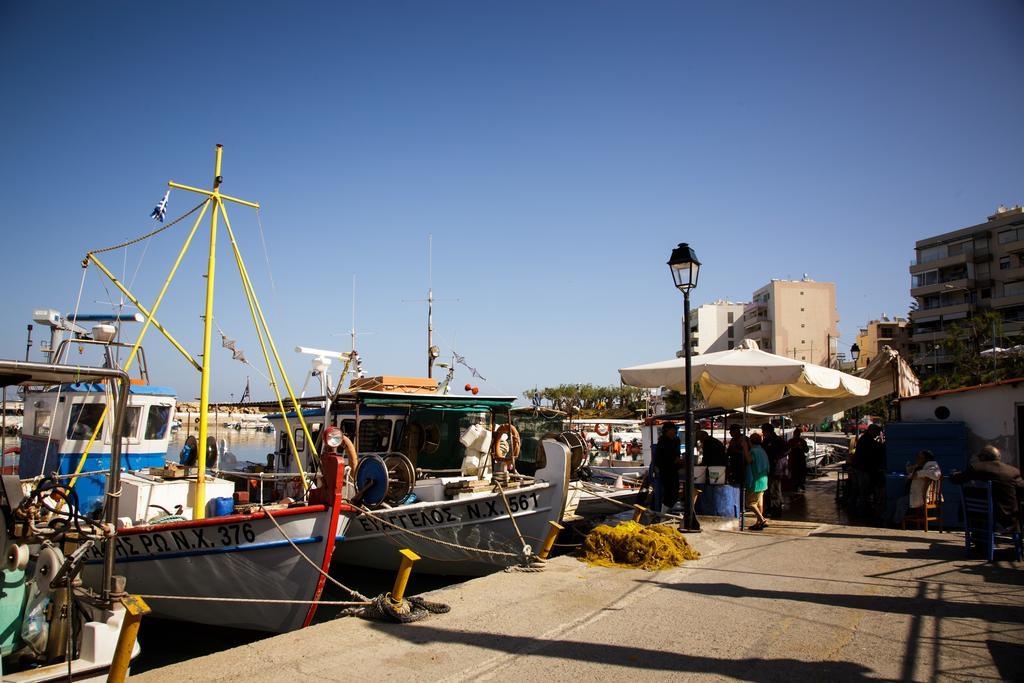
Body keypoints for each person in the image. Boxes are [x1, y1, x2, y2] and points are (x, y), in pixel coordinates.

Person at [951, 445, 1024, 531]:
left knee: (972, 497)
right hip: (1008, 516)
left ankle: (980, 537)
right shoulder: (1013, 471)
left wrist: (953, 474)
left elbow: (956, 479)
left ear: (983, 457)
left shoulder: (976, 468)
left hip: (981, 514)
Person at [888, 450, 941, 524]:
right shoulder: (922, 466)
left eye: (920, 457)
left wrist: (918, 473)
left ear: (925, 459)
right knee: (897, 498)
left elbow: (936, 475)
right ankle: (890, 519)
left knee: (901, 501)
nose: (918, 459)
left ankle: (895, 522)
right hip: (917, 495)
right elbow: (912, 474)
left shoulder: (931, 466)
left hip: (923, 497)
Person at [654, 423, 682, 512]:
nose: (674, 432)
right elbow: (662, 456)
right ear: (667, 431)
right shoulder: (663, 440)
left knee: (674, 490)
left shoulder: (676, 440)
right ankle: (664, 511)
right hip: (665, 469)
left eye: (675, 431)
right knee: (669, 491)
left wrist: (679, 460)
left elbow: (677, 453)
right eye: (672, 430)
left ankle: (668, 509)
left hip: (674, 469)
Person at [761, 423, 787, 518]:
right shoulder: (767, 440)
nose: (763, 433)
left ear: (768, 431)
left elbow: (787, 450)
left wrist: (777, 457)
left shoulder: (777, 440)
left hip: (775, 469)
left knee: (774, 490)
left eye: (764, 431)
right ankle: (770, 509)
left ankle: (776, 511)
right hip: (770, 468)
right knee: (769, 491)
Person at [746, 432, 770, 530]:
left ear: (750, 442)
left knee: (751, 503)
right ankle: (758, 523)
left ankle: (762, 519)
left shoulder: (753, 451)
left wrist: (744, 448)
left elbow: (749, 460)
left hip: (756, 481)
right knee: (759, 503)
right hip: (764, 480)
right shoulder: (762, 451)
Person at [787, 428, 809, 492]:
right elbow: (788, 449)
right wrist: (795, 447)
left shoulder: (802, 441)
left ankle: (800, 485)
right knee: (795, 474)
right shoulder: (791, 441)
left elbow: (807, 450)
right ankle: (796, 486)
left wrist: (801, 447)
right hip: (794, 460)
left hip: (800, 460)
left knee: (800, 473)